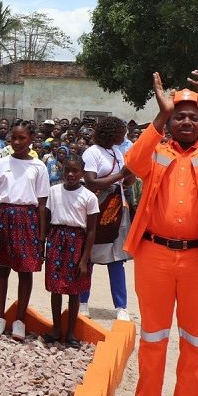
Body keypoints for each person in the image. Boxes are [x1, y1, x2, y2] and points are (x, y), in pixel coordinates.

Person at [123, 71, 198, 396]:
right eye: (179, 116)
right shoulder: (157, 152)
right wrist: (160, 114)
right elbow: (133, 163)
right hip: (154, 255)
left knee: (196, 340)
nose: (186, 122)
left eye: (194, 117)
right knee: (153, 337)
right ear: (170, 122)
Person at [0, 123, 50, 341]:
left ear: (31, 139)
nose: (17, 142)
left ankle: (20, 320)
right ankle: (0, 317)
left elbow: (42, 204)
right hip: (4, 218)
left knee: (25, 270)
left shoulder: (39, 167)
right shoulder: (0, 163)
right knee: (2, 268)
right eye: (13, 138)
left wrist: (41, 237)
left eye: (22, 138)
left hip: (28, 220)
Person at [79, 116, 134, 321]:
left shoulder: (117, 152)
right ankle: (82, 302)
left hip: (116, 209)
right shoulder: (92, 153)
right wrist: (121, 174)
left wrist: (131, 172)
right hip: (96, 208)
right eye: (122, 133)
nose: (124, 136)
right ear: (112, 134)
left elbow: (126, 181)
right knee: (89, 257)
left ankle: (121, 306)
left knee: (116, 259)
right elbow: (91, 182)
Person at [42, 155, 99, 348]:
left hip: (77, 242)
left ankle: (71, 332)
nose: (71, 174)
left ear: (82, 173)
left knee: (74, 289)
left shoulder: (89, 197)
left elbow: (91, 230)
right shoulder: (53, 191)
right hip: (56, 239)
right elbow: (47, 218)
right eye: (67, 170)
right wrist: (43, 244)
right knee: (55, 287)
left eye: (75, 171)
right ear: (62, 170)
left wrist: (84, 259)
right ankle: (56, 328)